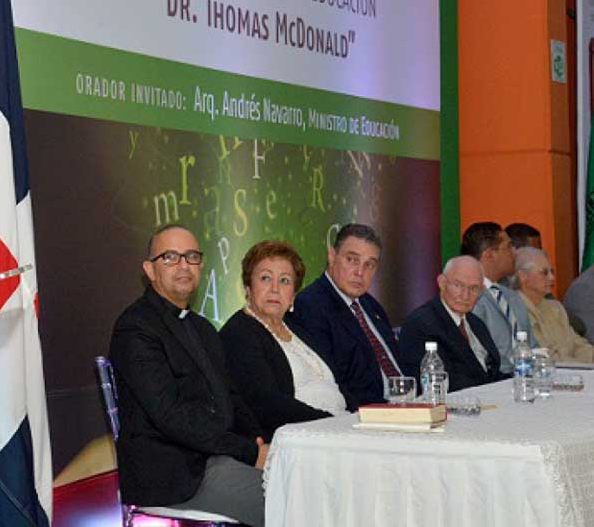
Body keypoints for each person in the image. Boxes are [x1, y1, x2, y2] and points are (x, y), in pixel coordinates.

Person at [110, 224, 267, 527]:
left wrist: (256, 438)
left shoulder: (203, 328)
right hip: (173, 473)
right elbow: (170, 416)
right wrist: (247, 452)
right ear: (150, 269)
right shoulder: (135, 327)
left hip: (216, 456)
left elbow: (231, 396)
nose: (184, 265)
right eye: (170, 257)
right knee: (287, 496)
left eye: (192, 256)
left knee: (303, 482)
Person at [219, 240, 345, 439]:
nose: (275, 288)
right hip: (300, 437)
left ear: (293, 294)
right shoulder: (238, 333)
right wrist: (332, 423)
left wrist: (359, 416)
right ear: (248, 287)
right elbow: (268, 405)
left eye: (284, 280)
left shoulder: (297, 329)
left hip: (337, 427)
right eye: (265, 278)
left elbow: (339, 385)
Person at [288, 223, 401, 410]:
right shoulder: (311, 306)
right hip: (366, 414)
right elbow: (333, 383)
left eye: (369, 264)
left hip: (405, 405)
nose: (360, 272)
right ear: (332, 256)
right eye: (352, 260)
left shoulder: (370, 305)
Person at [397, 256, 505, 392]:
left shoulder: (475, 323)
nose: (465, 295)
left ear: (482, 291)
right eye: (458, 285)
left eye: (473, 288)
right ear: (442, 283)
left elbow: (491, 373)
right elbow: (440, 383)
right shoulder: (420, 325)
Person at [465, 221, 537, 372]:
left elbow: (532, 345)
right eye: (508, 247)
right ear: (489, 254)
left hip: (528, 375)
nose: (514, 253)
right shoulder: (470, 299)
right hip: (498, 379)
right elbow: (483, 354)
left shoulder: (512, 297)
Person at [514, 247, 594, 363]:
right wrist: (579, 365)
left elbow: (578, 345)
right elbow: (543, 356)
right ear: (523, 276)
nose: (552, 278)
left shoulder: (555, 308)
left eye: (552, 272)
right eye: (544, 272)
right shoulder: (514, 310)